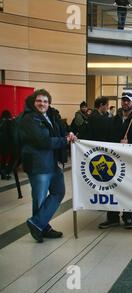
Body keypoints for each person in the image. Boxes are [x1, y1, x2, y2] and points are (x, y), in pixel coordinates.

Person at [19, 89, 76, 243]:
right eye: (39, 101)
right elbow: (43, 141)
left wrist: (69, 133)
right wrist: (65, 140)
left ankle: (37, 223)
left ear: (49, 103)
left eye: (45, 101)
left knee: (59, 191)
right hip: (38, 164)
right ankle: (42, 227)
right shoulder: (29, 119)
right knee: (39, 199)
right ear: (33, 102)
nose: (42, 104)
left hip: (52, 162)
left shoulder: (49, 116)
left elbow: (61, 130)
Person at [98, 91, 132, 229]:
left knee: (128, 189)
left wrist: (130, 143)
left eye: (128, 100)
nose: (125, 103)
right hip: (113, 162)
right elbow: (107, 139)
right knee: (112, 188)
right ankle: (112, 217)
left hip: (131, 163)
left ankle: (128, 216)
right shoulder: (114, 120)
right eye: (123, 100)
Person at [0, 110, 14, 180]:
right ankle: (5, 172)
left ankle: (3, 172)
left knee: (3, 159)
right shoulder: (9, 122)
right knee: (13, 157)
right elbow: (11, 134)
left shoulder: (0, 121)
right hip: (7, 144)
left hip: (1, 144)